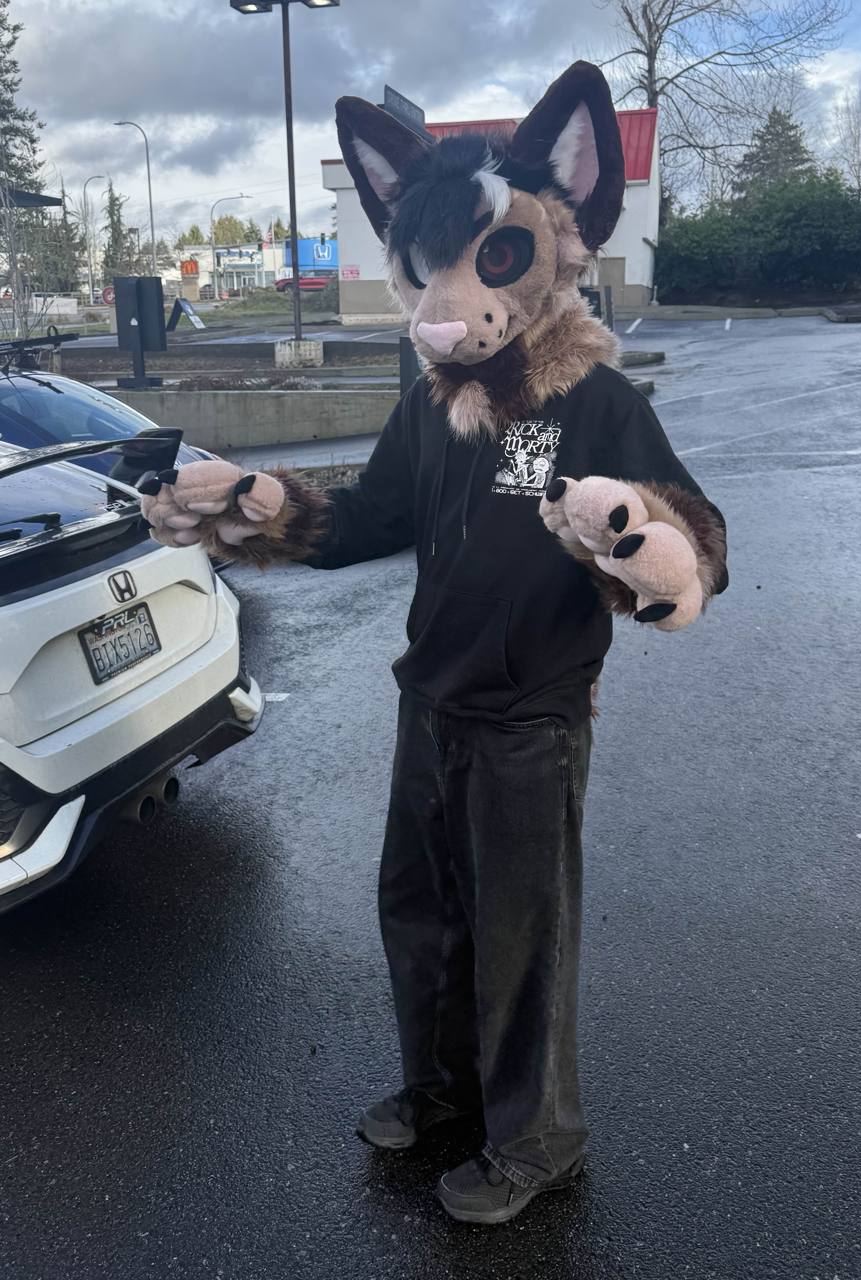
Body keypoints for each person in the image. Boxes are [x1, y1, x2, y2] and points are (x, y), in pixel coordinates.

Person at [139, 62, 728, 1226]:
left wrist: (644, 548)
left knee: (519, 936)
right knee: (420, 911)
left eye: (484, 261)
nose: (446, 300)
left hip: (528, 720)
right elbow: (373, 515)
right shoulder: (434, 404)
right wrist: (263, 504)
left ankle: (537, 1137)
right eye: (429, 268)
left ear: (552, 243)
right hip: (434, 705)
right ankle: (444, 1089)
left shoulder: (593, 401)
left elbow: (696, 537)